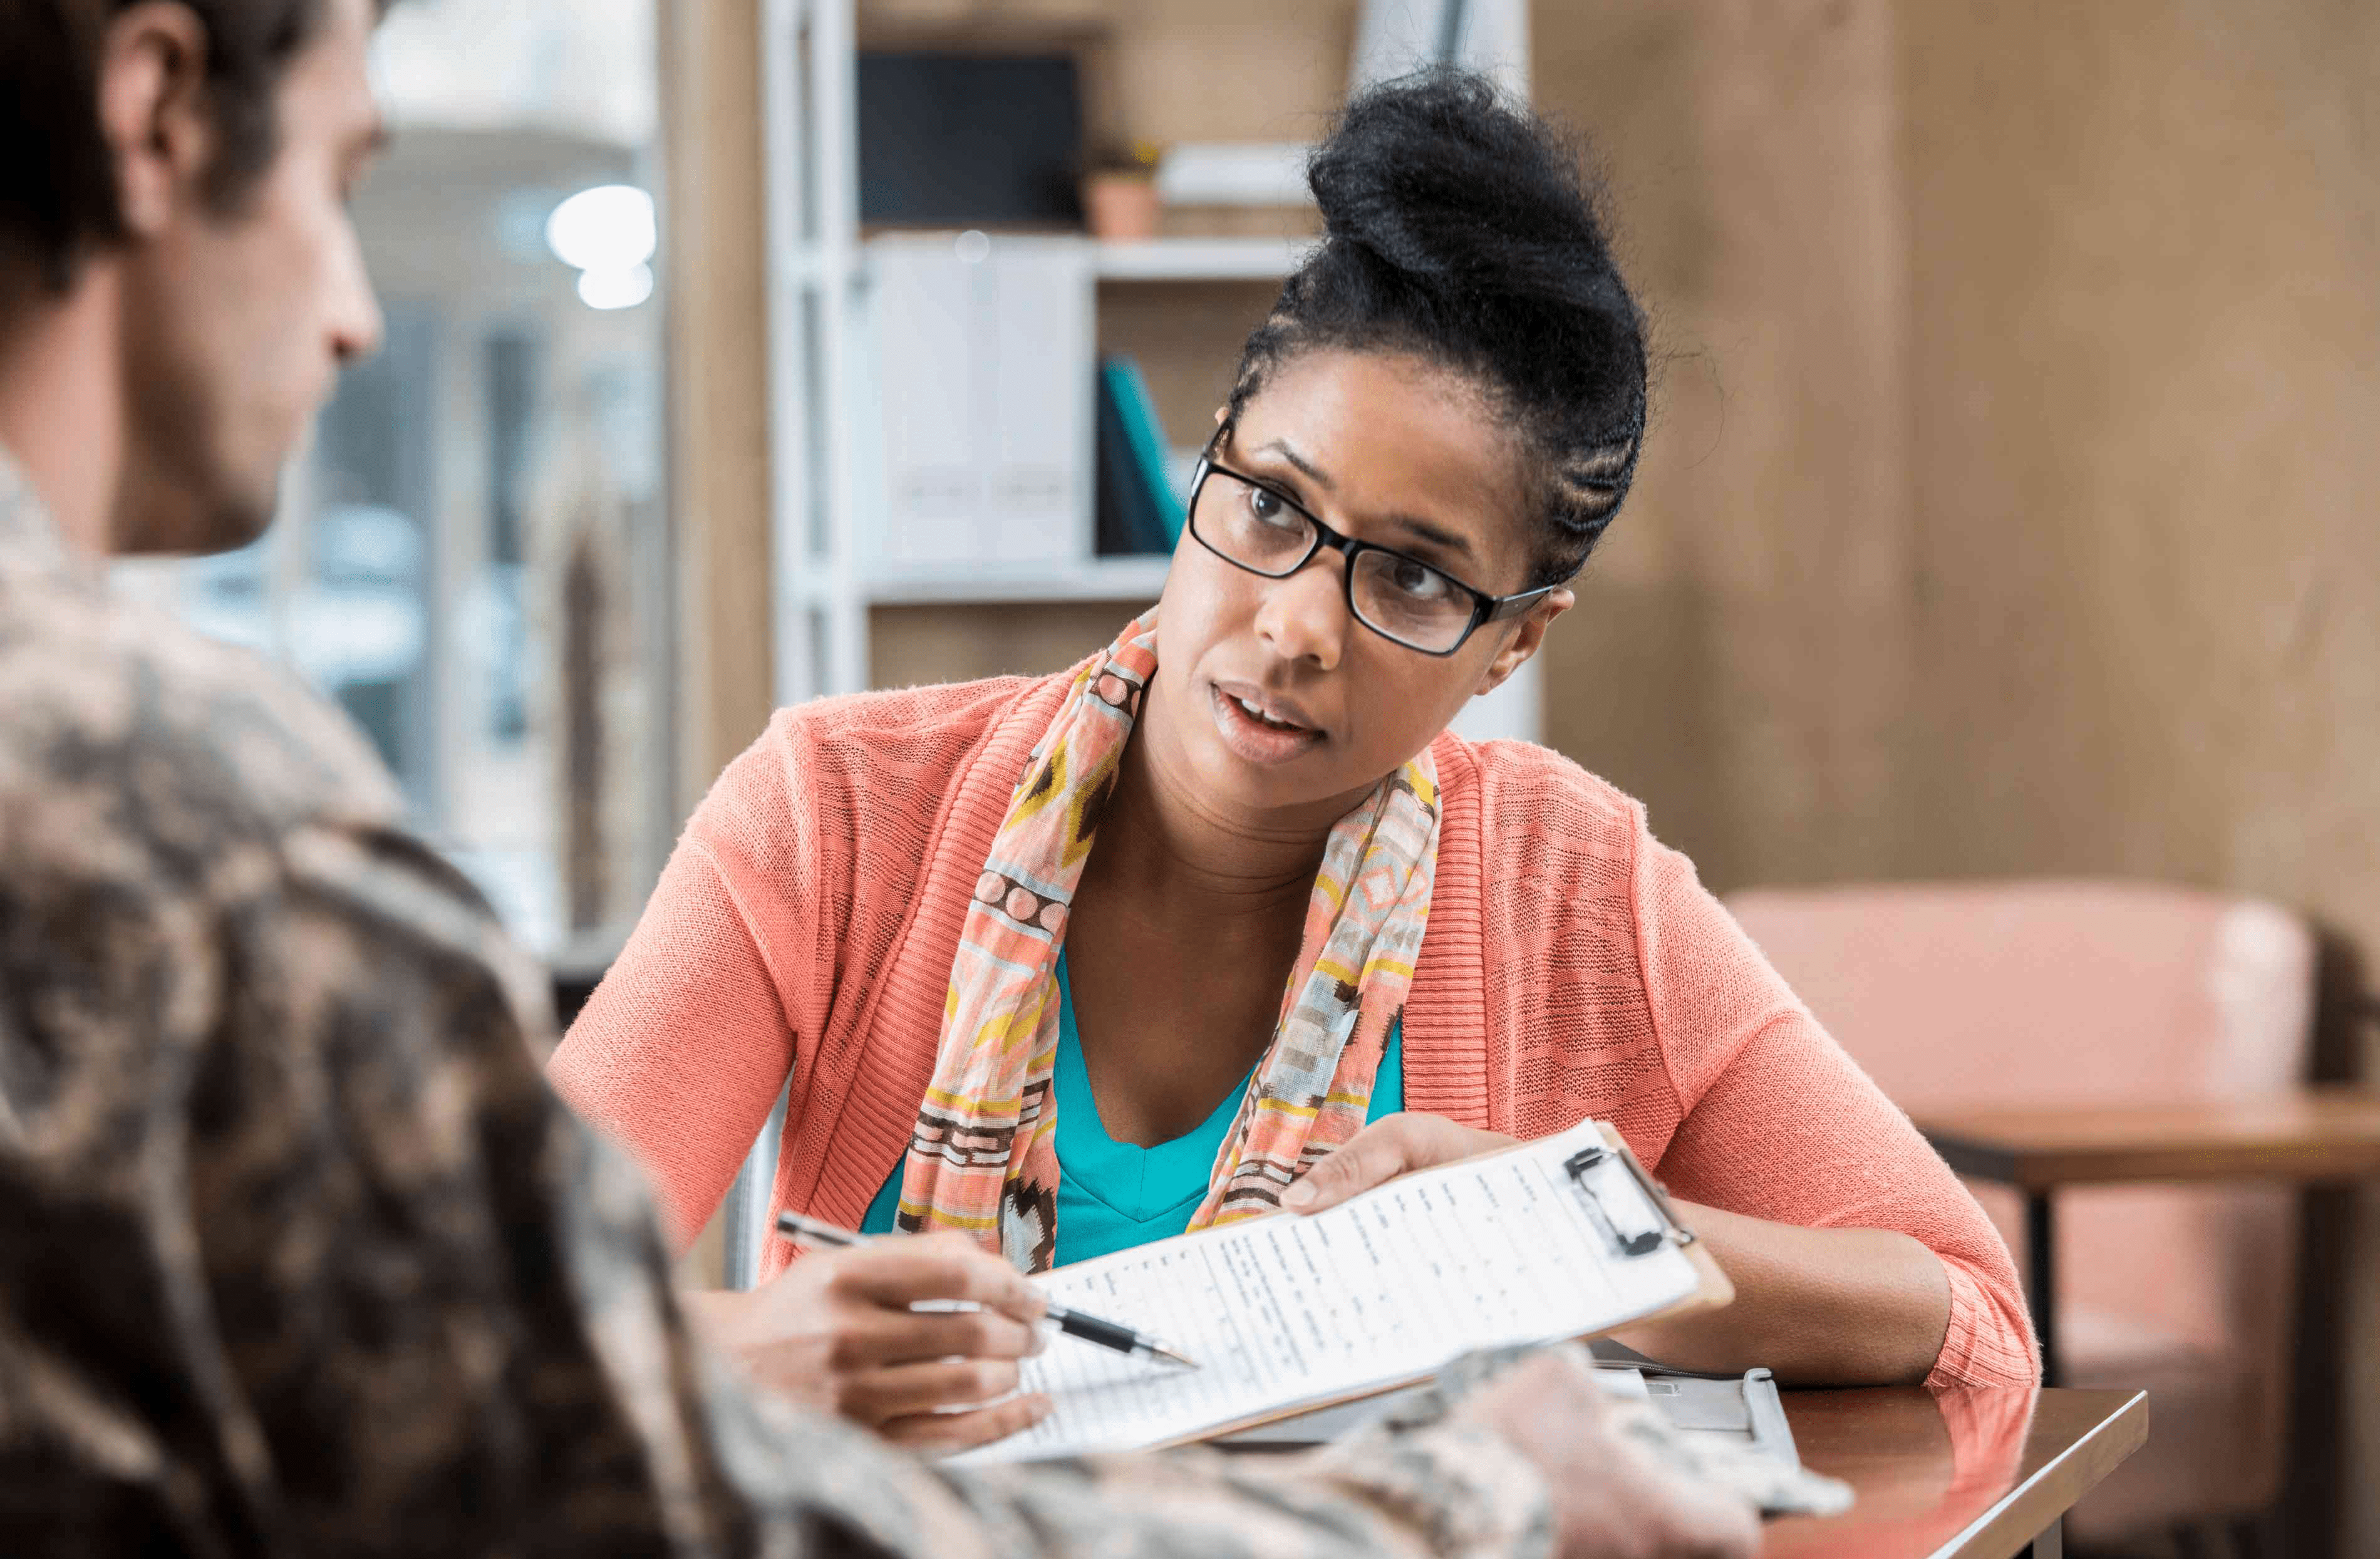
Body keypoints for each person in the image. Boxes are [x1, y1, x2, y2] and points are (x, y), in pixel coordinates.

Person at [0, 1, 1762, 1559]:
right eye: (346, 182)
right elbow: (639, 1522)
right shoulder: (192, 850)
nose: (356, 316)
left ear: (1514, 638)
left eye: (1418, 583)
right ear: (156, 111)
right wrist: (1465, 1526)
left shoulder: (1572, 859)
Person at [551, 70, 2041, 1453]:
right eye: (1270, 505)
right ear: (1211, 457)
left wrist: (1577, 1234)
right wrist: (743, 1354)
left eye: (1411, 580)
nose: (1296, 625)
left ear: (1514, 645)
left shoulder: (1578, 890)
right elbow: (468, 1328)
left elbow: (1971, 1322)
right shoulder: (835, 814)